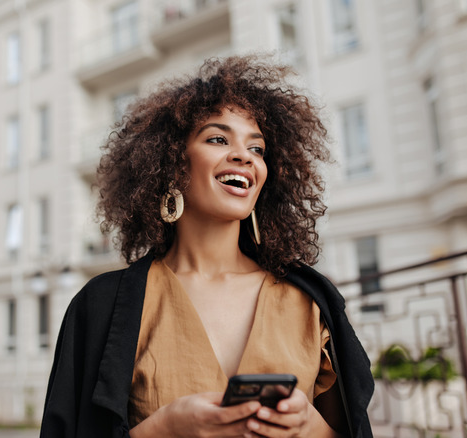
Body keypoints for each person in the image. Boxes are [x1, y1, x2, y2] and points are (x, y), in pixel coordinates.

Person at [40, 55, 374, 437]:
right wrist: (164, 428)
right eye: (218, 139)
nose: (244, 157)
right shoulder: (99, 305)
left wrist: (309, 425)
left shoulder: (312, 302)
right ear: (171, 163)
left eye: (258, 149)